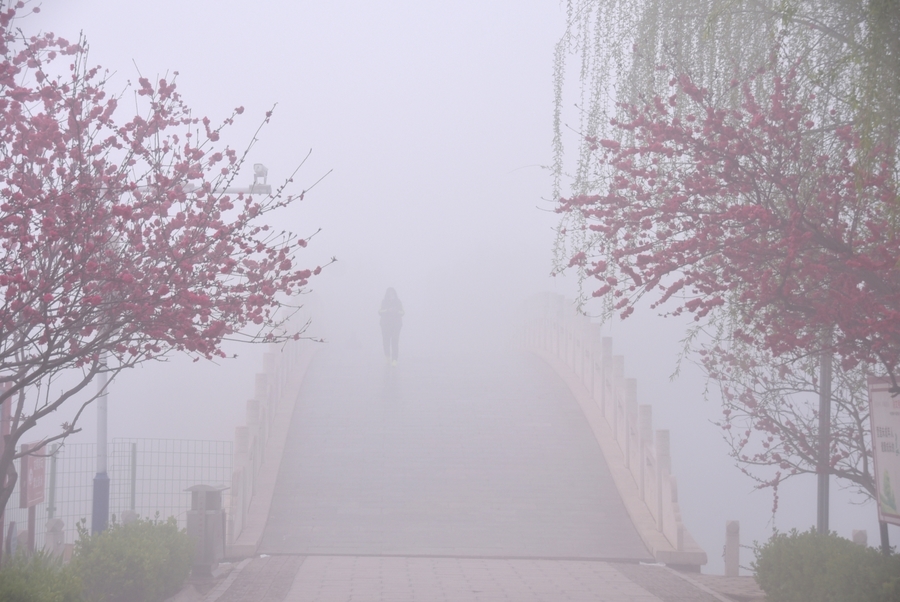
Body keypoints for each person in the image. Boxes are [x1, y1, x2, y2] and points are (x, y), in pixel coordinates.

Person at [379, 288, 404, 366]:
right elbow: (380, 311)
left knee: (395, 341)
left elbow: (403, 312)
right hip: (385, 325)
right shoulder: (384, 302)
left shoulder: (398, 302)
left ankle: (394, 360)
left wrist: (396, 311)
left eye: (392, 293)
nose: (391, 295)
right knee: (386, 341)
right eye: (389, 293)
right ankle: (387, 357)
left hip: (396, 325)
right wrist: (387, 310)